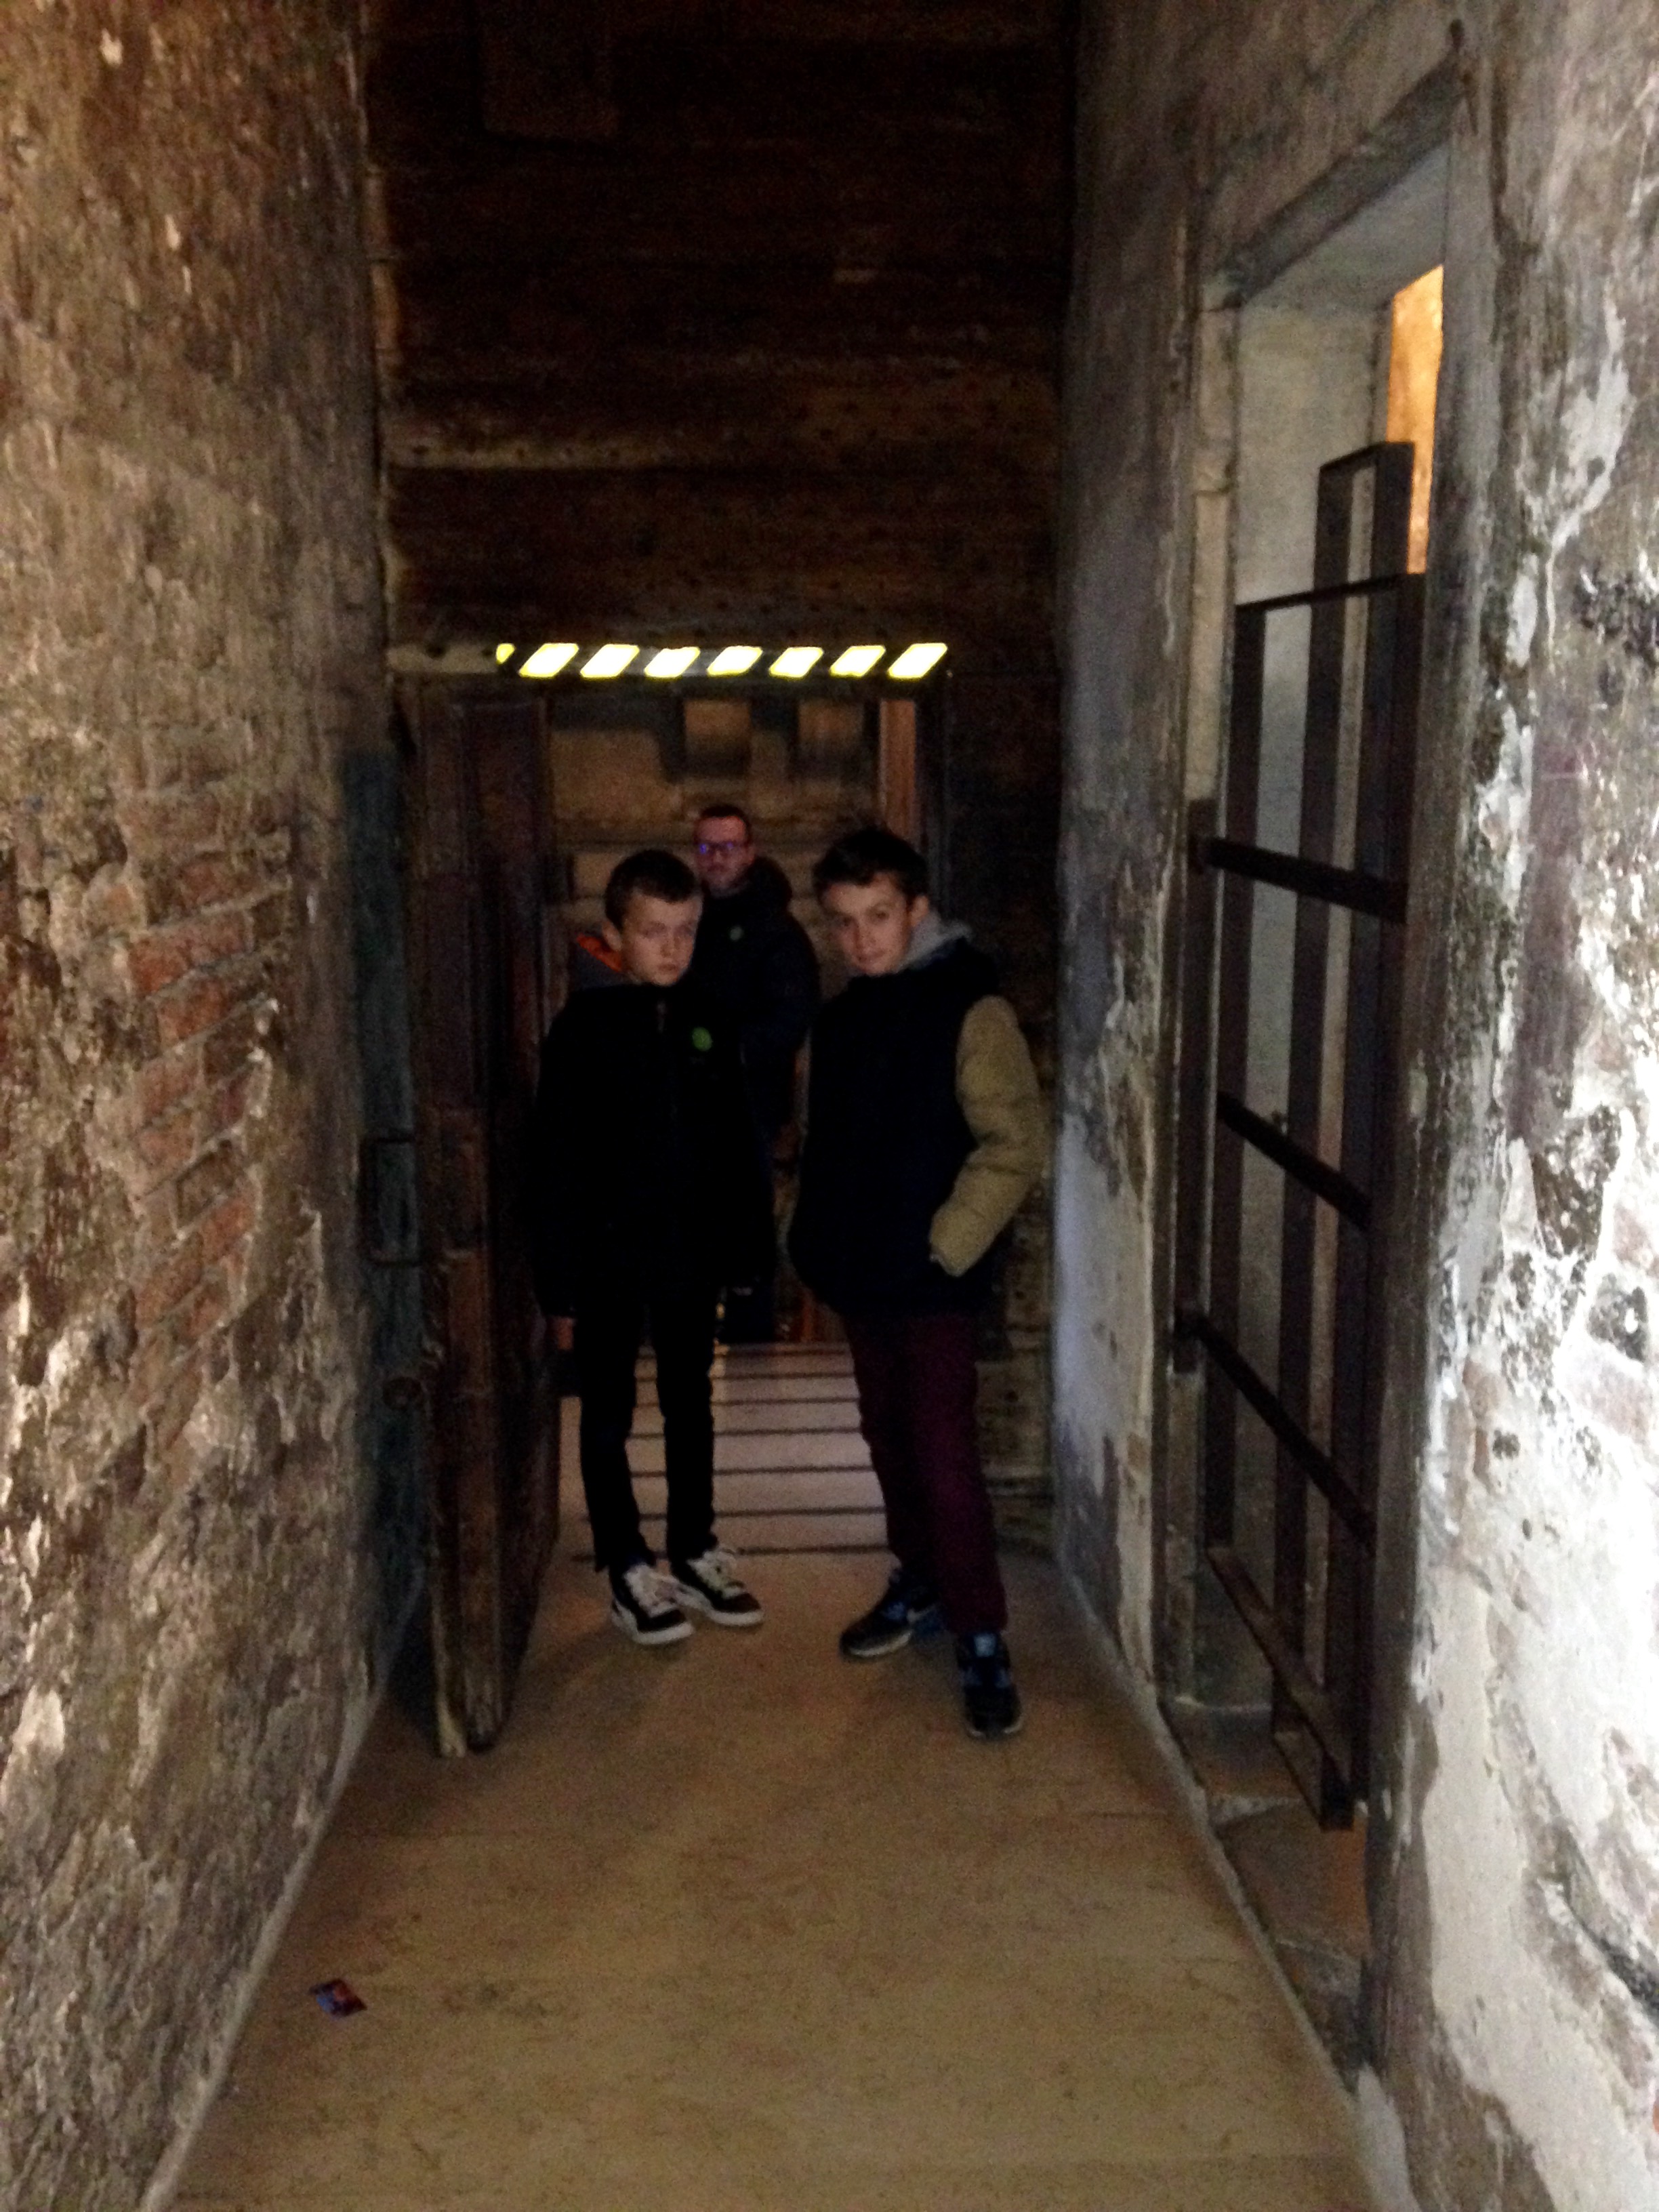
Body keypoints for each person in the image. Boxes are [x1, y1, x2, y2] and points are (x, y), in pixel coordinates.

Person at [789, 827, 1046, 1739]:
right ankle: (921, 1578)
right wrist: (811, 1237)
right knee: (887, 1436)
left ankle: (981, 1632)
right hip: (864, 1272)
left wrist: (947, 1247)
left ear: (918, 910)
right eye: (844, 922)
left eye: (879, 916)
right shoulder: (841, 1019)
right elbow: (824, 1142)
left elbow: (1014, 1145)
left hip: (932, 1279)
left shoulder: (971, 1011)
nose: (861, 939)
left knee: (942, 1451)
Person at [531, 848, 774, 1645]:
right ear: (615, 936)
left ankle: (695, 1545)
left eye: (685, 931)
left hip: (689, 1251)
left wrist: (748, 1249)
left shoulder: (711, 1018)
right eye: (653, 932)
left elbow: (738, 1143)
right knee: (607, 1411)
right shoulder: (582, 1030)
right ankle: (627, 1562)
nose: (671, 948)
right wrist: (558, 1283)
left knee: (689, 1402)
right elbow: (556, 1159)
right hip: (607, 1256)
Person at [689, 802, 820, 1341]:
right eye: (707, 847)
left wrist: (720, 1049)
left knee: (745, 1226)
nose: (717, 858)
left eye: (728, 847)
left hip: (748, 1104)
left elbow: (790, 1018)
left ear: (750, 852)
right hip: (689, 1100)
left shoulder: (777, 932)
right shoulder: (688, 919)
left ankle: (750, 1339)